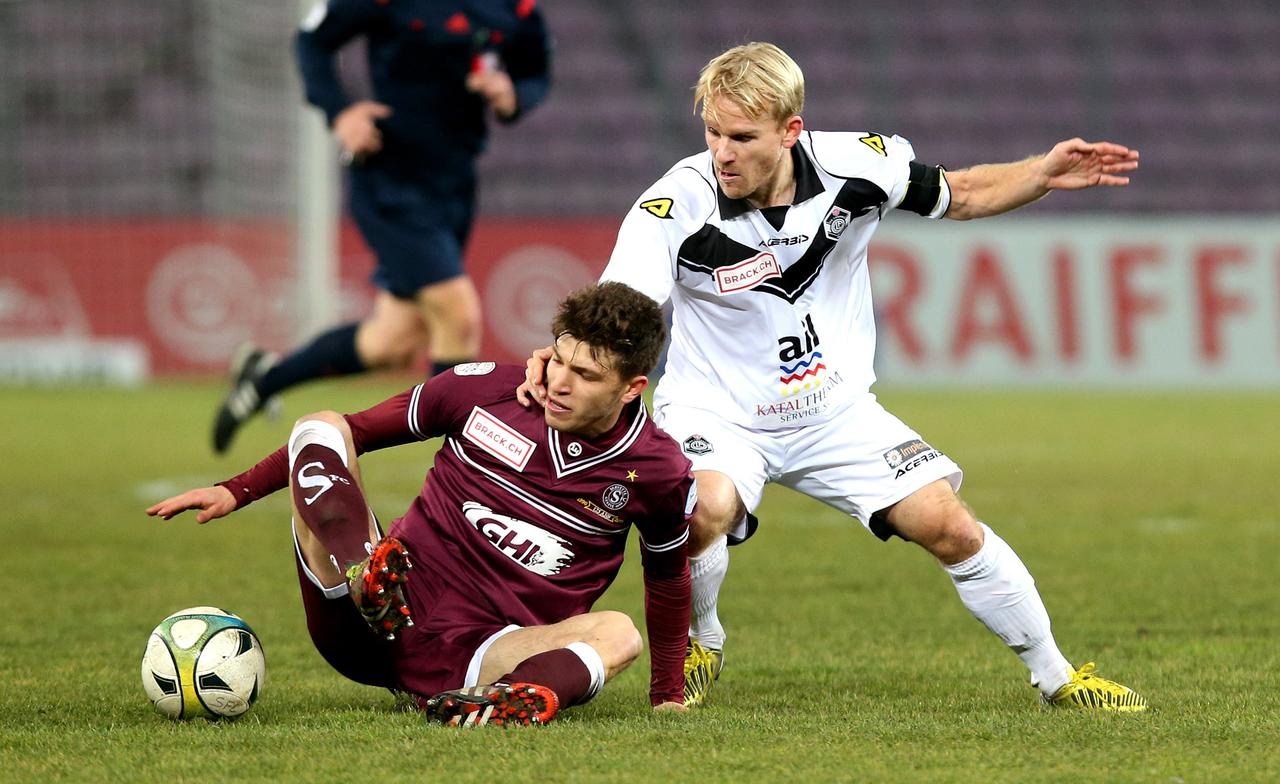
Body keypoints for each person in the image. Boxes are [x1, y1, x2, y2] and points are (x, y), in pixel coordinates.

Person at [519, 42, 1148, 711]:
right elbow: (618, 314)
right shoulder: (675, 208)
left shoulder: (860, 165)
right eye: (712, 133)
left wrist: (1041, 173)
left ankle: (1058, 678)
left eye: (741, 137)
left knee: (949, 526)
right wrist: (561, 354)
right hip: (719, 412)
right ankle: (705, 638)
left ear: (791, 132)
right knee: (700, 509)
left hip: (836, 412)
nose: (722, 153)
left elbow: (959, 195)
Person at [154, 282, 696, 726]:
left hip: (484, 652)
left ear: (632, 389)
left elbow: (669, 579)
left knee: (620, 634)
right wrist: (238, 488)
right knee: (319, 424)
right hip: (375, 622)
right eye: (560, 360)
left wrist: (666, 692)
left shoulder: (657, 470)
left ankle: (502, 702)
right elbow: (351, 431)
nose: (559, 383)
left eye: (586, 376)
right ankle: (367, 569)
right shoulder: (480, 390)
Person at [211, 0, 553, 454]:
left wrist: (513, 94)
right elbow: (313, 41)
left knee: (392, 343)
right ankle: (459, 479)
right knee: (458, 313)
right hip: (390, 177)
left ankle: (264, 377)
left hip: (454, 182)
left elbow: (536, 71)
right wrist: (341, 112)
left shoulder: (516, 7)